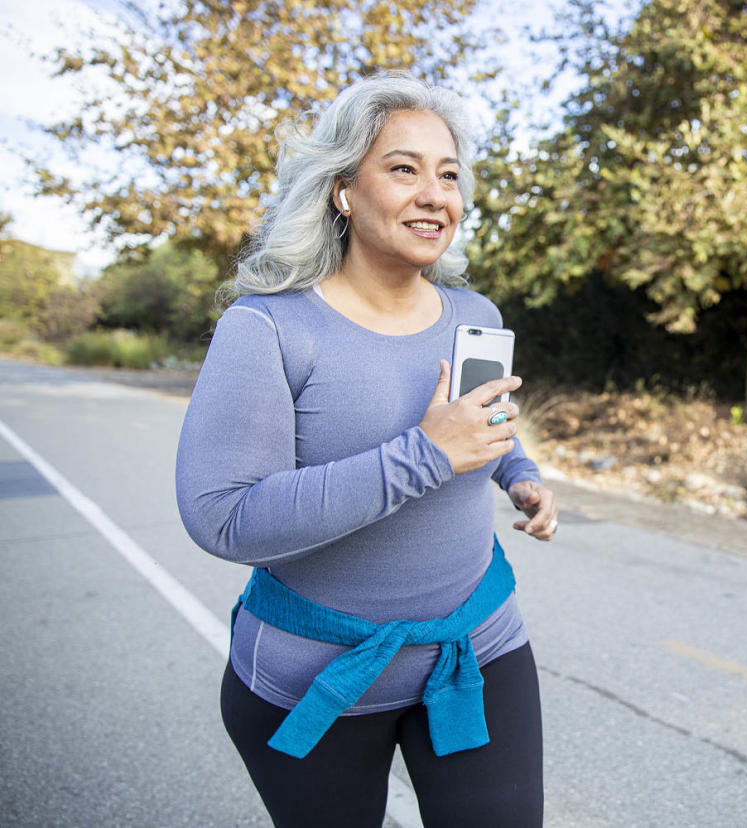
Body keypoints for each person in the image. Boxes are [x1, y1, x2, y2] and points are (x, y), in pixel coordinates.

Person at [175, 71, 556, 828]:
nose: (434, 194)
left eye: (448, 175)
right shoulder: (269, 328)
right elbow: (222, 516)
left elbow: (483, 427)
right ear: (344, 189)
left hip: (473, 650)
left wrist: (520, 474)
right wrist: (425, 455)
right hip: (317, 675)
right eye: (404, 168)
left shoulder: (474, 313)